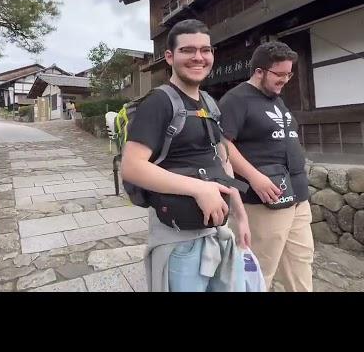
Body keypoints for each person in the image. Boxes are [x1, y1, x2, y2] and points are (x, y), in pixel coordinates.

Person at [121, 19, 251, 292]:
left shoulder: (210, 102)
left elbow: (221, 160)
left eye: (205, 50)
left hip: (218, 232)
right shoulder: (158, 102)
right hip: (179, 239)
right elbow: (132, 167)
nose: (198, 57)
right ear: (169, 56)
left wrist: (241, 215)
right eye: (188, 50)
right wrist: (199, 189)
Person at [219, 41, 314, 292]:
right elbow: (222, 144)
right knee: (260, 269)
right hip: (264, 199)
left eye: (289, 74)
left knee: (301, 262)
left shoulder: (277, 99)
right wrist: (254, 177)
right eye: (279, 74)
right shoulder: (236, 99)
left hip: (298, 196)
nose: (285, 80)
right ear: (259, 71)